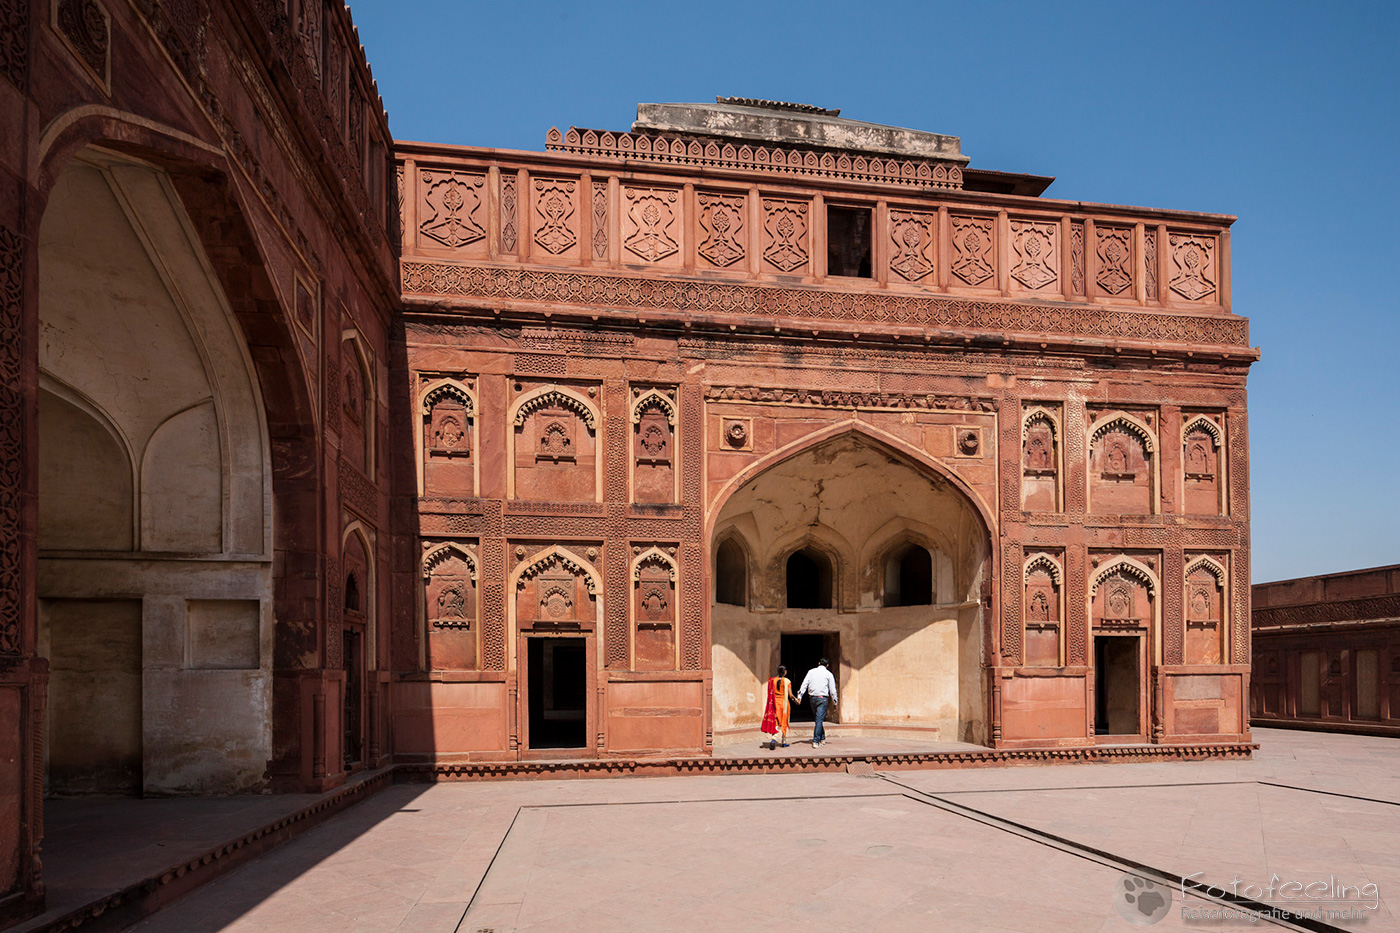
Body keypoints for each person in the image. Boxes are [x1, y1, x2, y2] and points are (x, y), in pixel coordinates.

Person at [795, 657, 838, 748]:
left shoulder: (811, 672)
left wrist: (800, 696)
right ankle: (816, 740)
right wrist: (835, 702)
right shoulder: (829, 674)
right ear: (827, 665)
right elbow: (833, 690)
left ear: (819, 663)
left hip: (813, 698)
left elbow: (804, 684)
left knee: (818, 719)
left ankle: (822, 738)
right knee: (819, 719)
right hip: (822, 699)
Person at [759, 665, 797, 750]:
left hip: (775, 703)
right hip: (784, 704)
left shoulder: (772, 681)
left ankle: (774, 738)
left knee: (775, 721)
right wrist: (796, 700)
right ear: (785, 672)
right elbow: (790, 695)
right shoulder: (787, 681)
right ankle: (784, 741)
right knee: (784, 721)